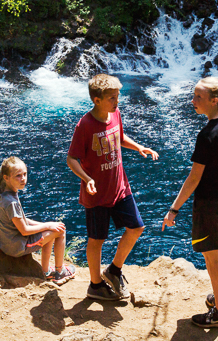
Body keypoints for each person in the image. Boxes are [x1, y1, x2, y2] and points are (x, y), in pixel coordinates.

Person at [67, 74, 159, 301]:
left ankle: (114, 270)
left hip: (120, 187)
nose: (117, 101)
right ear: (97, 100)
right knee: (97, 240)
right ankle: (95, 285)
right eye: (111, 97)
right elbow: (72, 159)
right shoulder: (85, 125)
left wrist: (138, 147)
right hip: (97, 194)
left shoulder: (115, 113)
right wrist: (87, 178)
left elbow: (118, 136)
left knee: (136, 228)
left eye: (117, 96)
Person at [162, 77, 218, 329]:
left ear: (214, 101)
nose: (192, 101)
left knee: (214, 261)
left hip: (210, 204)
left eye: (198, 97)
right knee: (216, 255)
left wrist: (174, 209)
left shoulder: (208, 134)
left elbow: (194, 177)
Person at [0, 156, 76, 284]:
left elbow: (22, 220)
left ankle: (46, 271)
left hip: (6, 242)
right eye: (18, 176)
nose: (23, 179)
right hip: (16, 246)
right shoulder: (11, 203)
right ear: (6, 177)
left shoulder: (2, 193)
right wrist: (47, 225)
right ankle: (59, 273)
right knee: (60, 231)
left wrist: (47, 226)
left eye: (25, 174)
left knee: (52, 229)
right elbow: (25, 230)